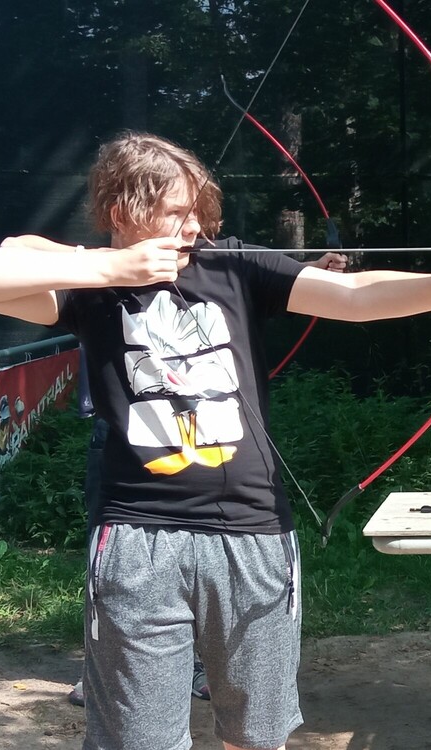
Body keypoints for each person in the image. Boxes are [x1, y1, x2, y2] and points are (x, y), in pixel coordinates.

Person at [0, 131, 431, 750]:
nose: (193, 228)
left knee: (256, 737)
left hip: (252, 532)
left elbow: (355, 296)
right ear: (123, 211)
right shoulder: (89, 282)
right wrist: (110, 268)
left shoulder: (230, 264)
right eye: (176, 213)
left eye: (198, 212)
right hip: (137, 536)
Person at [66, 251, 347, 709]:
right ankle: (103, 670)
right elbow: (5, 256)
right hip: (131, 450)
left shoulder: (226, 266)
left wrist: (307, 272)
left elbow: (346, 293)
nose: (186, 234)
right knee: (119, 578)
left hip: (229, 482)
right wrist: (112, 266)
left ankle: (201, 665)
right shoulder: (97, 275)